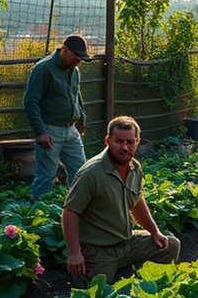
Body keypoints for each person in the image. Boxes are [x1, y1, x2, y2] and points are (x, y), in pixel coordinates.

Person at [62, 116, 180, 285]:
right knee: (95, 297)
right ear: (108, 141)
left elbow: (136, 201)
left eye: (130, 142)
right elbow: (70, 212)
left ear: (138, 142)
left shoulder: (134, 168)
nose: (125, 148)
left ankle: (143, 286)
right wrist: (74, 253)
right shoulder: (91, 173)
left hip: (127, 243)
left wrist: (154, 231)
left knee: (170, 246)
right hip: (98, 251)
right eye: (119, 141)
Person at [24, 34, 90, 198]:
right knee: (46, 175)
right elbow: (30, 101)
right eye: (77, 57)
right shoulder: (43, 68)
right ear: (64, 50)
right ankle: (41, 216)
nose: (79, 61)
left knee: (81, 172)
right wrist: (41, 131)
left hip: (71, 130)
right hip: (51, 130)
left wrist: (81, 118)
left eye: (81, 59)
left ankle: (75, 210)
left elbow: (76, 95)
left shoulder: (74, 70)